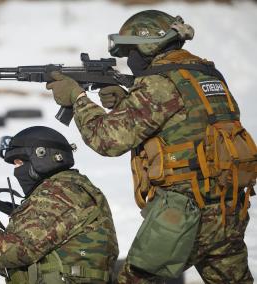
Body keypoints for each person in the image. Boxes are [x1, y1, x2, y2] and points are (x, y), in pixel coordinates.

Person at [45, 10, 256, 284]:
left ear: (148, 45)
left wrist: (77, 98)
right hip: (228, 208)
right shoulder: (206, 75)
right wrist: (127, 104)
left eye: (131, 50)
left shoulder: (158, 84)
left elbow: (107, 140)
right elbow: (185, 129)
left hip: (183, 214)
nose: (130, 59)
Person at [0, 126, 119, 283]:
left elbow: (18, 250)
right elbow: (19, 263)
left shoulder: (57, 194)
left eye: (19, 163)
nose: (17, 171)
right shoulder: (72, 188)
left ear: (41, 158)